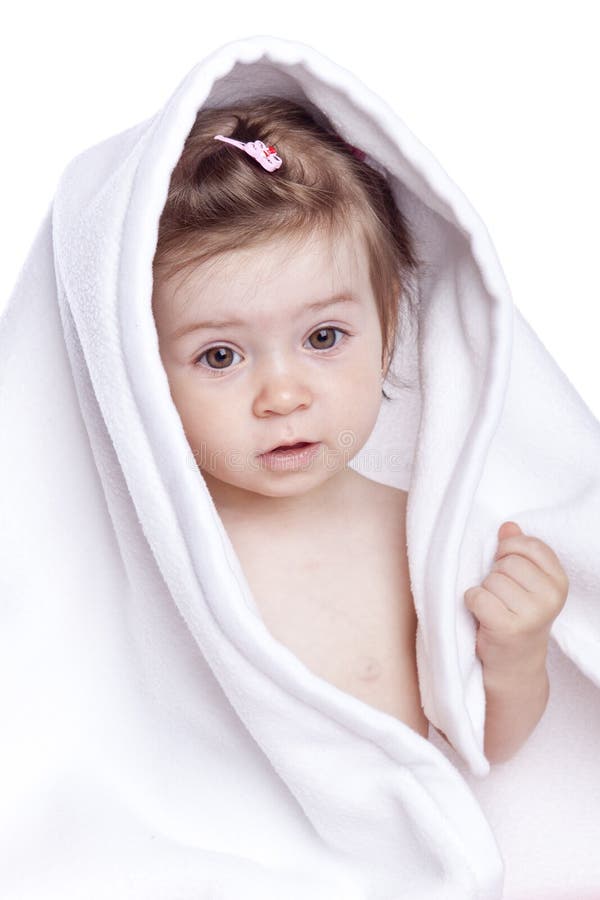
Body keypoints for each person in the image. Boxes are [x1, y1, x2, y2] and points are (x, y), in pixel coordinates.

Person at [150, 95, 569, 765]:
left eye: (323, 337)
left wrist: (517, 653)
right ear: (141, 370)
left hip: (401, 867)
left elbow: (482, 747)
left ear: (388, 332)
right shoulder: (156, 553)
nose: (282, 395)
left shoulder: (424, 534)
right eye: (220, 355)